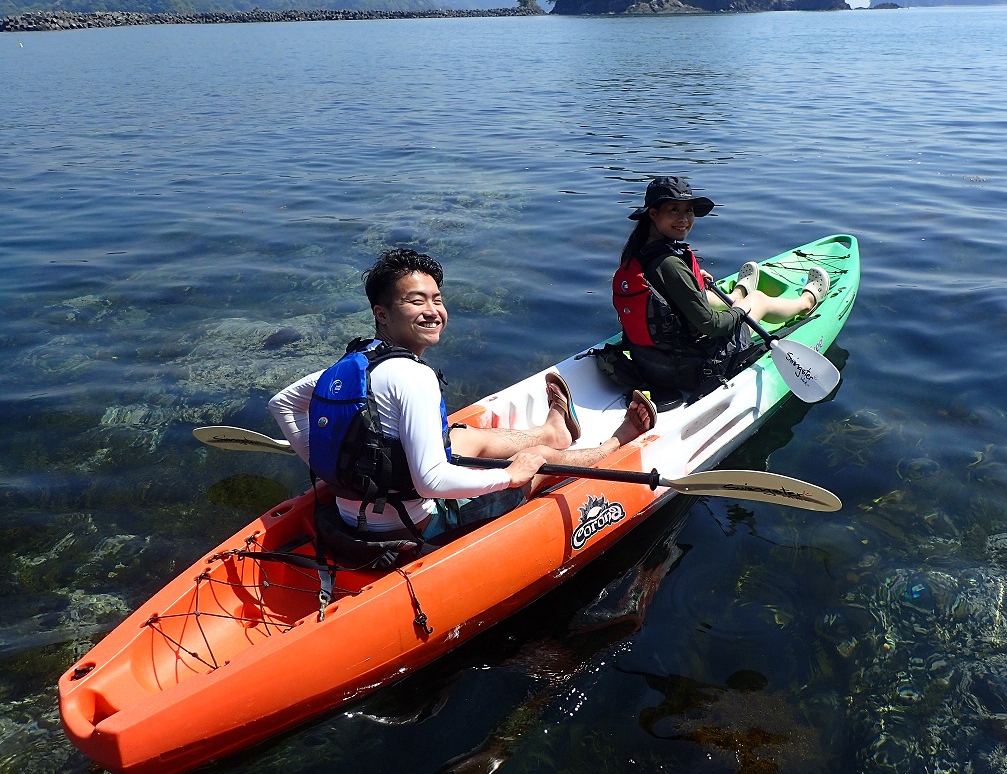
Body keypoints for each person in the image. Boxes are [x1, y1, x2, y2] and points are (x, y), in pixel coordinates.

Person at [270, 248, 655, 566]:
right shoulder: (412, 377)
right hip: (414, 526)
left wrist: (329, 469)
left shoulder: (354, 362)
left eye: (436, 299)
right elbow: (431, 483)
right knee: (536, 459)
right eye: (415, 300)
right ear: (381, 313)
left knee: (460, 437)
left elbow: (282, 403)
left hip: (352, 513)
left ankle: (552, 430)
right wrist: (513, 475)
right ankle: (616, 442)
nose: (432, 310)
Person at [613, 176, 829, 392]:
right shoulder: (670, 264)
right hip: (693, 368)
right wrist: (741, 309)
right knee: (757, 300)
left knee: (706, 297)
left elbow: (663, 298)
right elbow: (713, 327)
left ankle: (736, 293)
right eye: (674, 210)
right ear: (653, 213)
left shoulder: (637, 253)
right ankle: (806, 302)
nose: (684, 218)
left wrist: (692, 279)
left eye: (688, 210)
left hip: (651, 364)